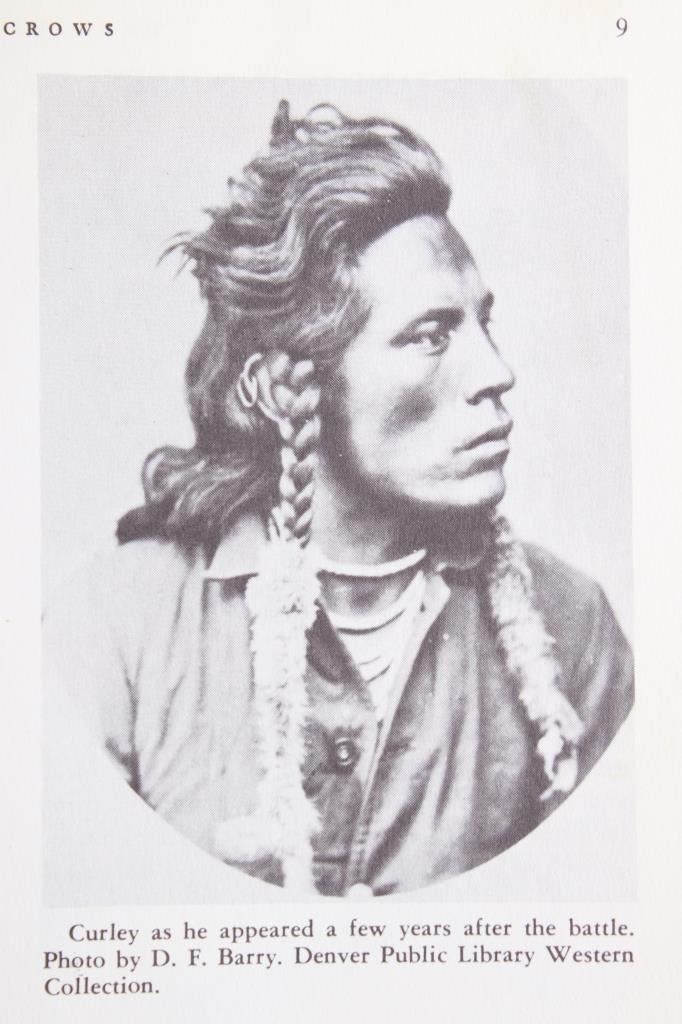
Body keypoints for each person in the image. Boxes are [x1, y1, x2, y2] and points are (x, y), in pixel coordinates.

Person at [46, 100, 633, 896]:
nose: (496, 373)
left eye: (482, 323)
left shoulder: (572, 629)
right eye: (431, 334)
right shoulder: (116, 632)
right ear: (281, 386)